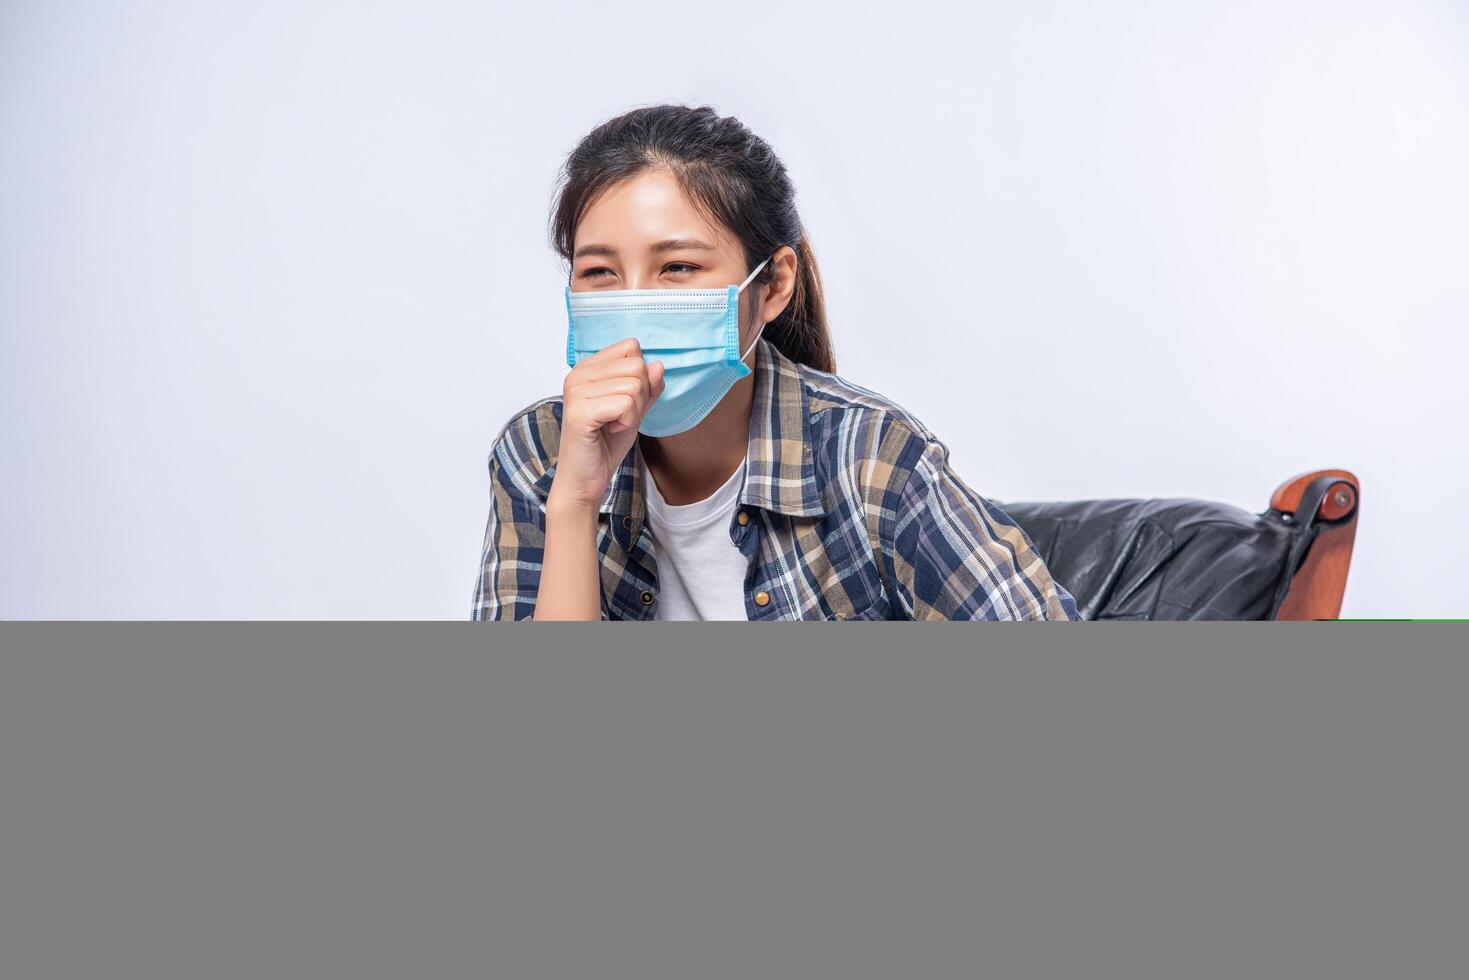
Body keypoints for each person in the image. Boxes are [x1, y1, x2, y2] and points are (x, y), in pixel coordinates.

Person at [472, 104, 1079, 621]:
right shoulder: (540, 453)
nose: (635, 305)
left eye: (679, 267)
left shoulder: (870, 457)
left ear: (772, 285)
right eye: (600, 273)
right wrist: (575, 503)